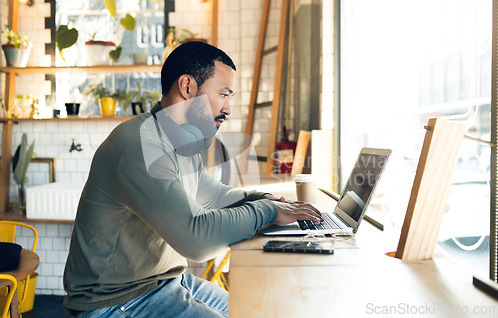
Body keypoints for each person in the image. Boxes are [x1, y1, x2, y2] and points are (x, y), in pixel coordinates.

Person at [63, 41, 322, 318]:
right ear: (187, 88)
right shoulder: (140, 145)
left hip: (165, 282)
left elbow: (212, 195)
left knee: (252, 311)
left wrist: (264, 199)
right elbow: (196, 241)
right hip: (114, 300)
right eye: (224, 94)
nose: (228, 108)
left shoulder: (176, 138)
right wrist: (267, 211)